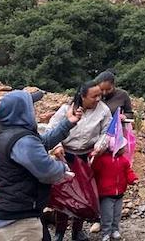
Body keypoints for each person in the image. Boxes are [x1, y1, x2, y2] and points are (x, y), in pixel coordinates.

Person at [0, 91, 76, 241]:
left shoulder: (11, 134)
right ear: (22, 112)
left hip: (15, 215)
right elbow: (48, 171)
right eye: (31, 107)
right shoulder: (23, 140)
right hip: (19, 222)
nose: (34, 111)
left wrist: (67, 123)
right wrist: (63, 168)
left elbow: (42, 143)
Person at [48, 81, 113, 241]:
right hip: (66, 157)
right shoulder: (66, 109)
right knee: (64, 195)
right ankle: (60, 232)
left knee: (83, 197)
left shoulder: (103, 110)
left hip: (87, 158)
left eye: (99, 95)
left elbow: (108, 131)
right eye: (94, 96)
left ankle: (77, 231)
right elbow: (51, 128)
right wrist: (56, 146)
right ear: (82, 96)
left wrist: (100, 146)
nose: (98, 98)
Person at [91, 144, 138, 241]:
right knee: (107, 215)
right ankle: (106, 232)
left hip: (119, 193)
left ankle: (115, 229)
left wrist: (133, 179)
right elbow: (94, 169)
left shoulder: (124, 160)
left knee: (117, 214)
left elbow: (128, 171)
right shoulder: (102, 159)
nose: (125, 149)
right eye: (123, 147)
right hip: (106, 193)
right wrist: (96, 156)